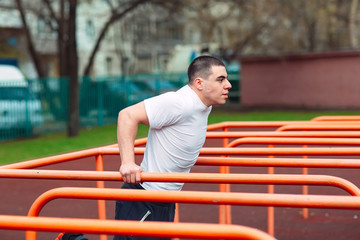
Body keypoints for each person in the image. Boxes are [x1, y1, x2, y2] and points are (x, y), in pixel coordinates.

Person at [114, 55, 232, 240]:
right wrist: (127, 163)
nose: (228, 85)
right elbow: (127, 115)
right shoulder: (179, 103)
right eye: (220, 79)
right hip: (144, 198)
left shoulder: (203, 105)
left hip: (166, 200)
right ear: (199, 83)